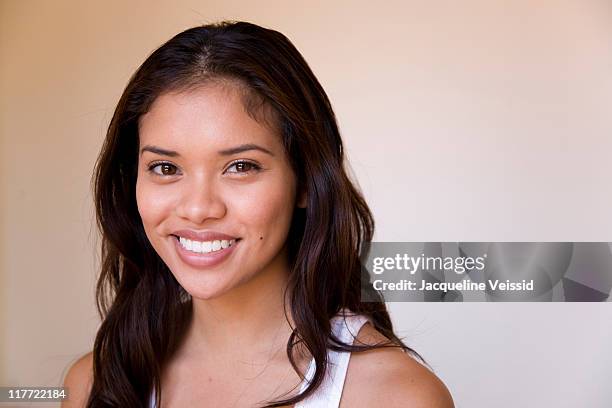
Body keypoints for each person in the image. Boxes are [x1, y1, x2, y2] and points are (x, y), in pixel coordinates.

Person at [62, 21, 454, 408]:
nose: (198, 209)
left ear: (304, 182)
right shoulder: (92, 385)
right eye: (166, 168)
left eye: (241, 166)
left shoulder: (394, 397)